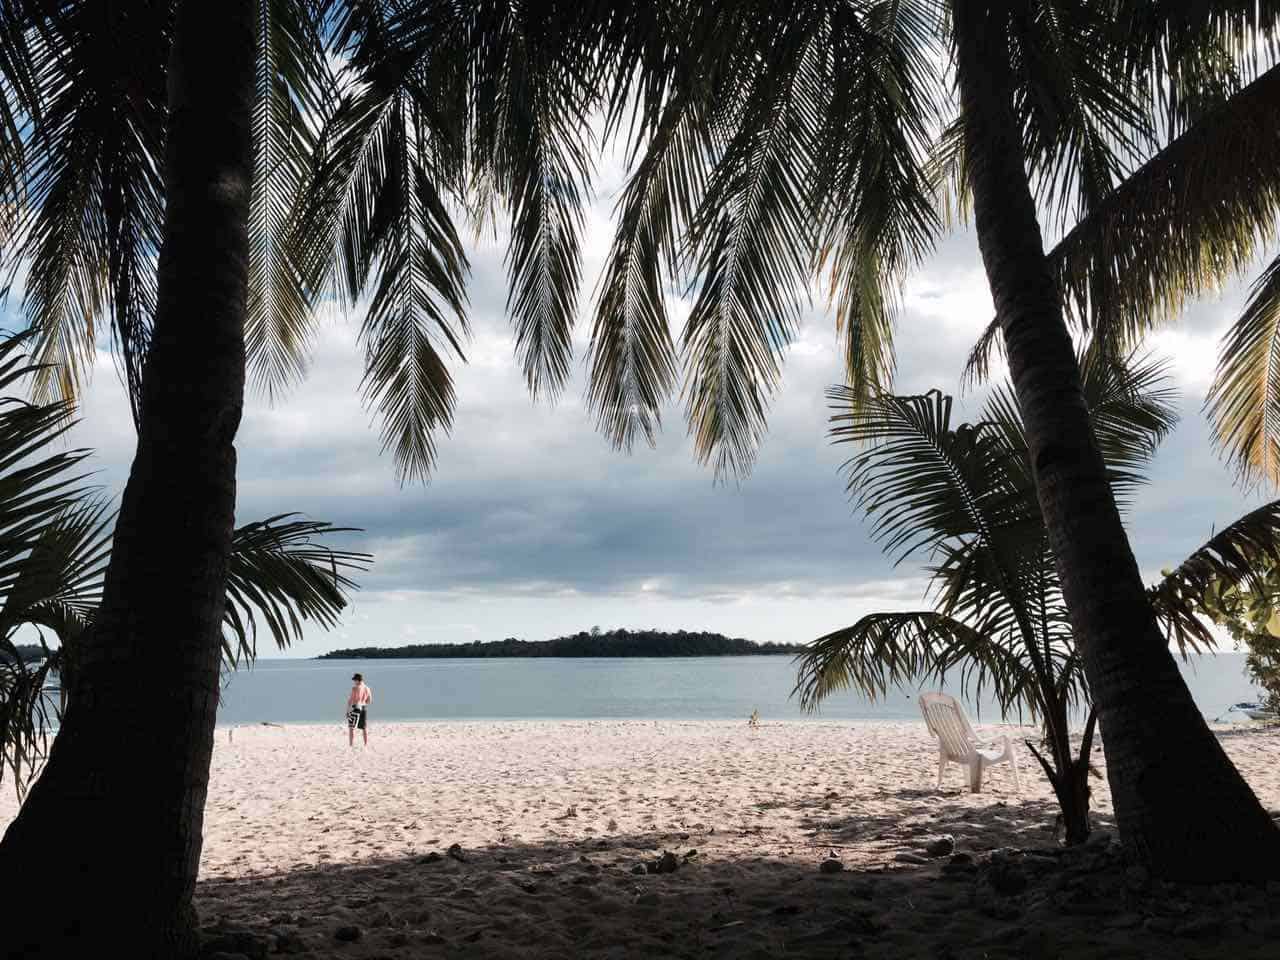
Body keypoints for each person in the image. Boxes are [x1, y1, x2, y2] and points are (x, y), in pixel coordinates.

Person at [346, 673, 372, 747]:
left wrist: (348, 711)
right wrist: (363, 703)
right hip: (363, 708)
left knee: (351, 727)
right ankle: (365, 744)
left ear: (357, 680)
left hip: (356, 708)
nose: (354, 682)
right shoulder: (367, 688)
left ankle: (351, 745)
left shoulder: (355, 688)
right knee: (363, 728)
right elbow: (369, 700)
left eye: (354, 680)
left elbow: (351, 700)